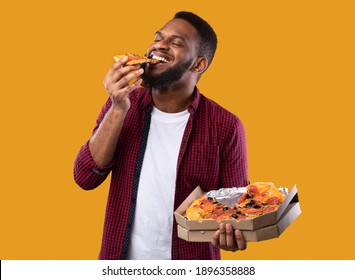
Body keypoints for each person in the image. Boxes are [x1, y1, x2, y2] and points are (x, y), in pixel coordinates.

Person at [74, 11, 249, 260]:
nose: (159, 46)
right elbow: (84, 178)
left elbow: (236, 213)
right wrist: (117, 108)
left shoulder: (226, 126)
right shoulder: (123, 104)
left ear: (198, 64)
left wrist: (233, 233)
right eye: (158, 38)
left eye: (176, 43)